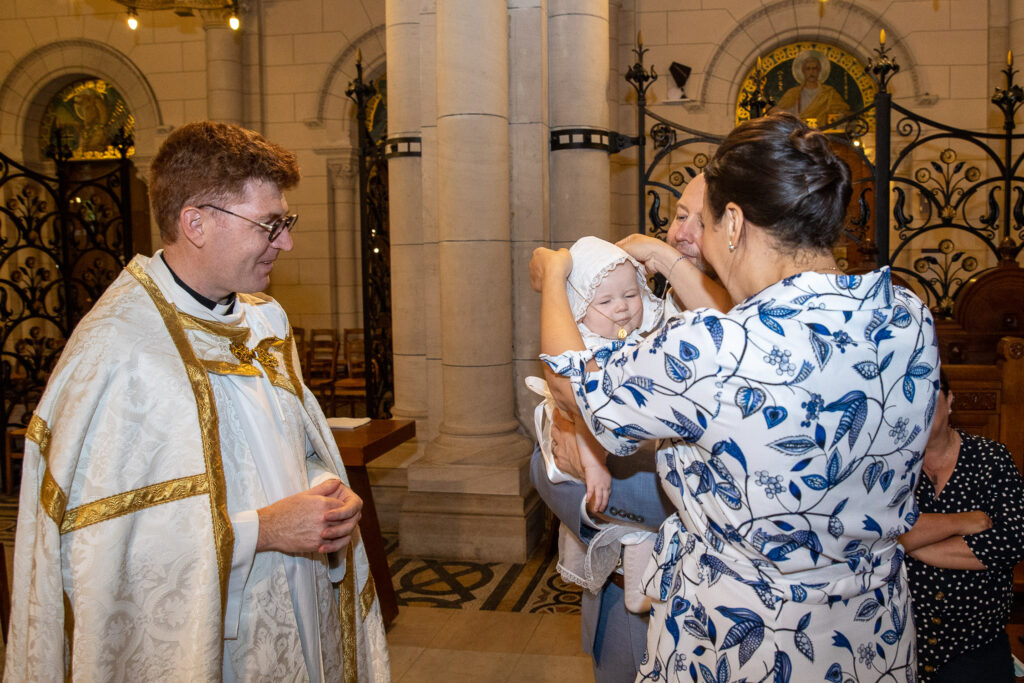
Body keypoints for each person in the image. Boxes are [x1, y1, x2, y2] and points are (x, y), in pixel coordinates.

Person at [531, 112, 939, 682]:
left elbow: (571, 386)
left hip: (742, 641)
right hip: (870, 635)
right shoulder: (905, 317)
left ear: (733, 222)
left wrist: (554, 274)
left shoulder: (713, 347)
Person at [4, 121, 390, 681]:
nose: (285, 242)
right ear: (196, 222)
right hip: (207, 641)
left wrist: (321, 491)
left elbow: (282, 450)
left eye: (287, 222)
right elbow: (98, 553)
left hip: (297, 603)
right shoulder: (119, 352)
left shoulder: (264, 321)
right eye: (270, 224)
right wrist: (264, 530)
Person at [531, 178, 732, 682]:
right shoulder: (644, 306)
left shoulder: (738, 315)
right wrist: (558, 465)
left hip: (704, 593)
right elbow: (558, 437)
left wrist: (580, 470)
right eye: (677, 215)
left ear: (736, 228)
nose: (679, 233)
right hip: (623, 590)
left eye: (697, 220)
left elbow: (576, 396)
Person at [901, 370, 1024, 682]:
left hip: (976, 646)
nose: (920, 410)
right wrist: (965, 521)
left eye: (930, 398)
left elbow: (1009, 543)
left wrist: (910, 543)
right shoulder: (891, 469)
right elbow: (875, 535)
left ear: (950, 399)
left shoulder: (991, 459)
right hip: (902, 645)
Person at [528, 236, 665, 512]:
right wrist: (594, 465)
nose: (622, 307)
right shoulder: (587, 347)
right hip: (588, 450)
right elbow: (585, 408)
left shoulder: (642, 337)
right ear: (578, 310)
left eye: (630, 295)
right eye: (605, 301)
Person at [771, 51, 850, 127]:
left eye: (814, 68)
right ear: (803, 71)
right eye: (808, 69)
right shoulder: (792, 93)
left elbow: (842, 111)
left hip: (824, 132)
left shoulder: (829, 92)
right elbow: (784, 114)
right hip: (799, 131)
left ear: (819, 71)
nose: (811, 72)